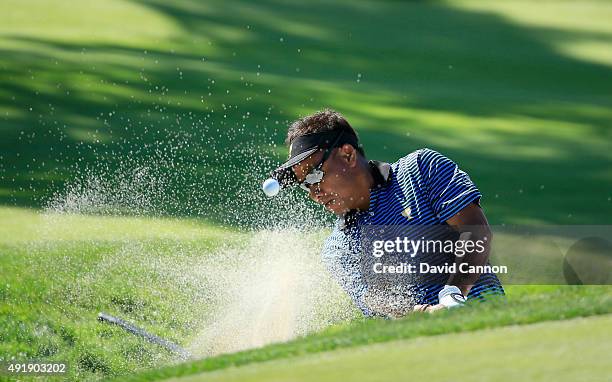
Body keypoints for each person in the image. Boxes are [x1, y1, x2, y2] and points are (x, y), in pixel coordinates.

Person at [269, 109, 504, 317]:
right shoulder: (337, 250)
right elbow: (380, 303)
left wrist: (454, 294)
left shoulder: (421, 170)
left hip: (493, 329)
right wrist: (429, 314)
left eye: (314, 175)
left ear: (347, 155)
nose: (314, 193)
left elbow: (475, 232)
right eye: (305, 184)